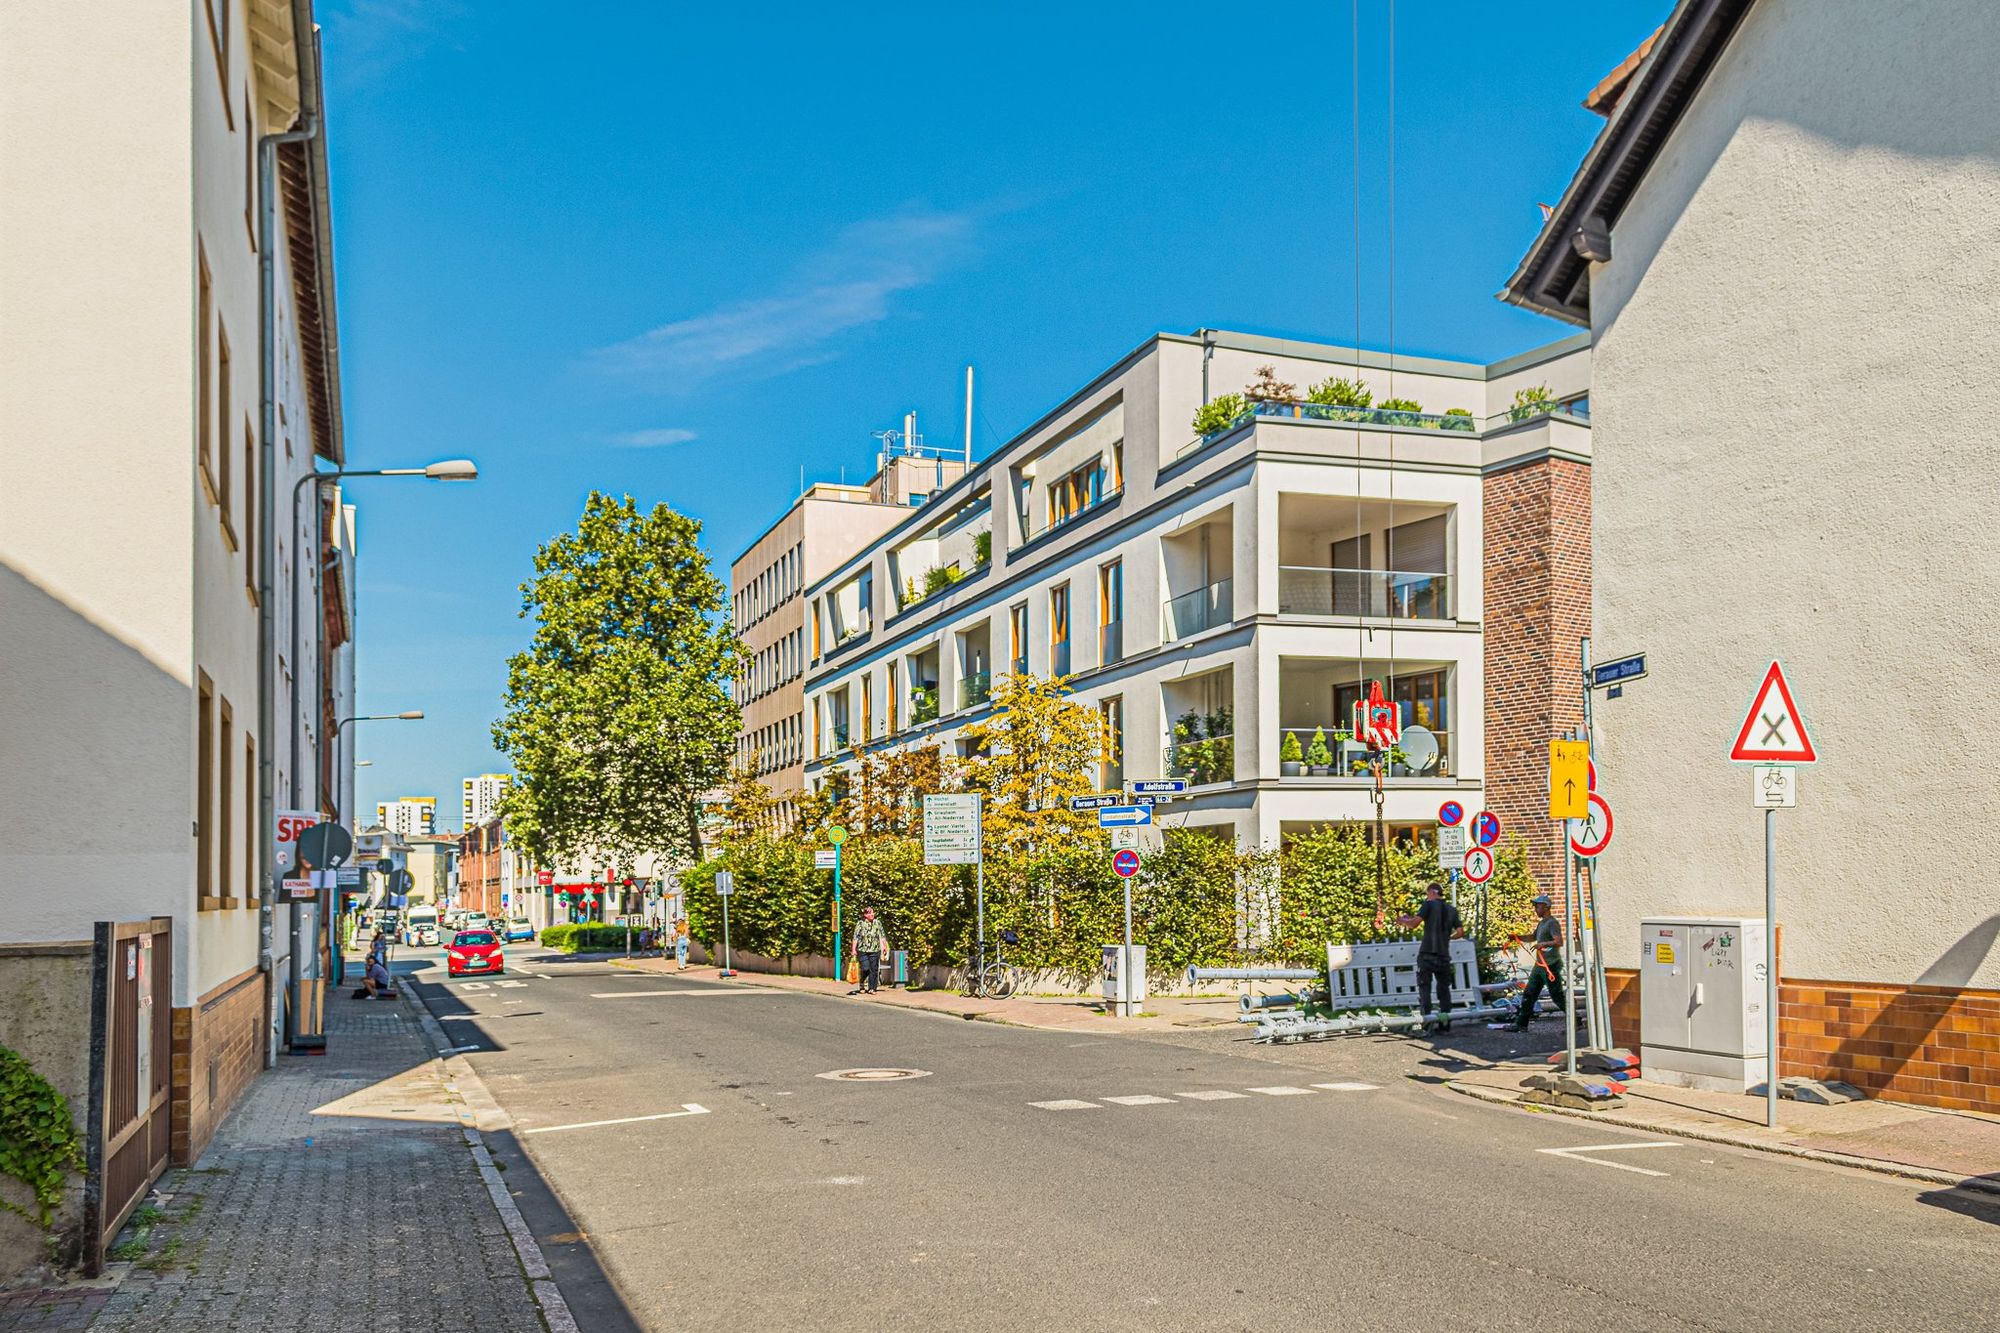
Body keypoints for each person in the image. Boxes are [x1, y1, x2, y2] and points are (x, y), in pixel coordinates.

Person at [1396, 882, 1463, 1034]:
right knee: (1444, 990)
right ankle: (1445, 1025)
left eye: (1427, 894)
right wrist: (1448, 937)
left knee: (1425, 988)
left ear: (1432, 892)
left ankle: (1426, 1024)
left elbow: (1414, 924)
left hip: (1427, 954)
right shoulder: (1452, 910)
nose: (1427, 897)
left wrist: (1402, 921)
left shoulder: (1428, 905)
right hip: (1444, 956)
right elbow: (1460, 932)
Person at [1492, 895, 1565, 1031]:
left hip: (1551, 965)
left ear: (1546, 907)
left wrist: (1543, 944)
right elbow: (1532, 937)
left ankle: (1576, 1020)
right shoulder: (1542, 923)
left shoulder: (1552, 923)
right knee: (1529, 993)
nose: (1535, 909)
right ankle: (1521, 1024)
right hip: (1540, 966)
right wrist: (1517, 937)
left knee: (1557, 996)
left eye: (1537, 906)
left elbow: (1558, 941)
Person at [849, 907, 888, 995]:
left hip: (875, 950)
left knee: (874, 969)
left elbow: (882, 935)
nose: (872, 914)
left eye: (873, 912)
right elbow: (855, 937)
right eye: (869, 913)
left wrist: (885, 947)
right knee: (865, 968)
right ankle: (862, 982)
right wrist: (853, 949)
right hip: (862, 950)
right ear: (865, 915)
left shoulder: (878, 923)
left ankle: (872, 988)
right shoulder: (860, 923)